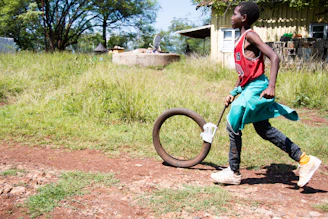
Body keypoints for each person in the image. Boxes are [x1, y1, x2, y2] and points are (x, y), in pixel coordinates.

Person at [211, 1, 321, 187]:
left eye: (235, 14)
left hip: (258, 86)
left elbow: (274, 57)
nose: (232, 17)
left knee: (233, 121)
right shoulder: (240, 40)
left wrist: (271, 86)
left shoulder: (250, 36)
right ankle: (305, 160)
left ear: (243, 18)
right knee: (264, 129)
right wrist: (234, 92)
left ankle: (233, 171)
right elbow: (245, 73)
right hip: (250, 87)